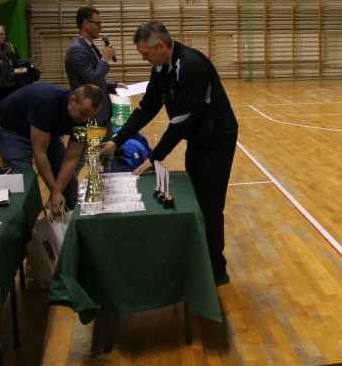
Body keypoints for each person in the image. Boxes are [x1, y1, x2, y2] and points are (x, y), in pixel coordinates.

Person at [100, 21, 239, 286]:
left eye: (146, 54)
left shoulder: (192, 65)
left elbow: (181, 120)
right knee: (194, 197)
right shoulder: (161, 66)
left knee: (209, 204)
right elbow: (147, 107)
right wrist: (117, 142)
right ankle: (198, 256)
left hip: (217, 140)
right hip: (198, 138)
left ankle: (216, 269)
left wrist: (154, 157)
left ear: (161, 46)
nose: (145, 59)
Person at [0, 84, 104, 214]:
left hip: (48, 130)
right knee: (25, 186)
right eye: (83, 114)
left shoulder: (85, 119)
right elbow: (39, 152)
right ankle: (29, 231)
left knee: (69, 186)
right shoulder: (46, 103)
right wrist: (55, 191)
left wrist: (55, 194)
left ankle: (63, 228)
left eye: (90, 116)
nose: (85, 119)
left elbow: (71, 159)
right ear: (72, 100)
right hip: (14, 129)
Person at [65, 7, 121, 168]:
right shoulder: (76, 50)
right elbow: (92, 79)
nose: (101, 27)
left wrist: (113, 85)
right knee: (79, 159)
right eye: (98, 23)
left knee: (107, 154)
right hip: (88, 114)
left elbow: (96, 79)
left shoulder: (88, 46)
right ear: (85, 24)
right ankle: (68, 192)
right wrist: (104, 59)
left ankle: (105, 190)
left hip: (102, 112)